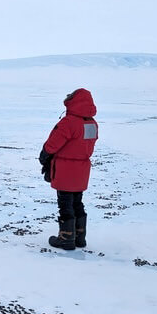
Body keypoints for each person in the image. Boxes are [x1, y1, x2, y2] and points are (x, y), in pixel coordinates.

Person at [39, 88, 98, 250]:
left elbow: (53, 143)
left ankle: (66, 238)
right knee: (77, 202)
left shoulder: (69, 122)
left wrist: (44, 155)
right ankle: (79, 237)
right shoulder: (92, 123)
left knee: (65, 203)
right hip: (82, 169)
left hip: (66, 168)